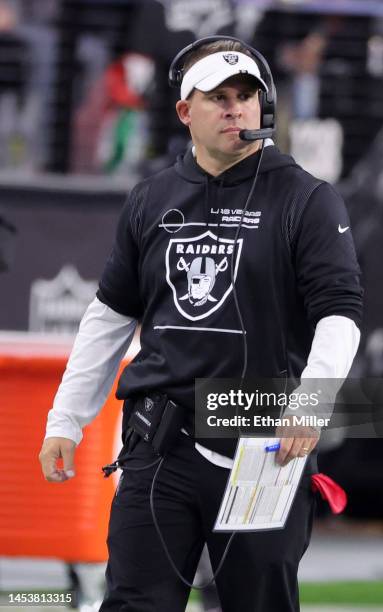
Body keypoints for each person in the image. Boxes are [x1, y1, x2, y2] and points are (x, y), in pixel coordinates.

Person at [39, 36, 363, 612]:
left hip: (265, 446)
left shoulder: (308, 200)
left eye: (247, 96)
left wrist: (311, 401)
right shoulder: (150, 199)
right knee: (136, 603)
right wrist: (66, 418)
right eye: (219, 97)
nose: (236, 108)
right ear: (186, 111)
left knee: (258, 603)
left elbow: (340, 313)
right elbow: (110, 316)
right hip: (160, 443)